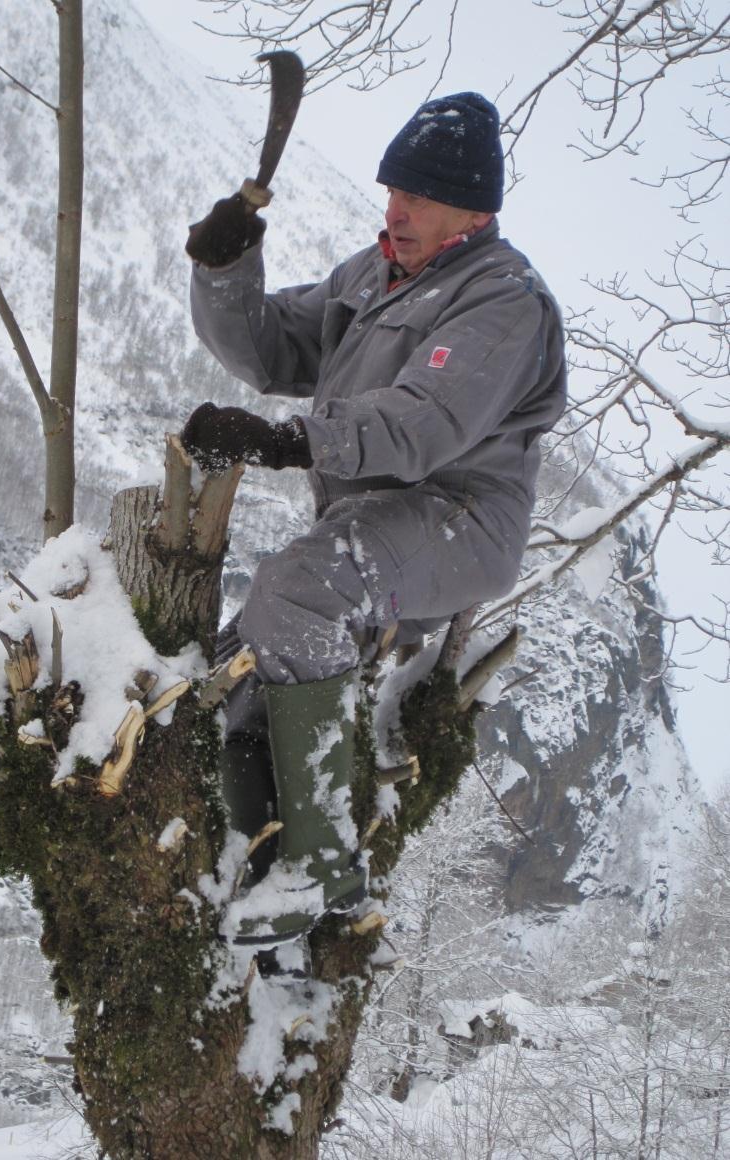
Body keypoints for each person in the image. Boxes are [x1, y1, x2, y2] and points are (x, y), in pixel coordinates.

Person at [182, 92, 567, 947]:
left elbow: (419, 426)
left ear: (476, 209)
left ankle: (323, 866)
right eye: (392, 190)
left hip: (461, 517)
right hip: (376, 516)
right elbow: (273, 348)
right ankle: (258, 868)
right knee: (235, 677)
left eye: (419, 197)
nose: (395, 210)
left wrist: (283, 443)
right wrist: (224, 272)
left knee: (298, 589)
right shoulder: (375, 271)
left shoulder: (505, 303)